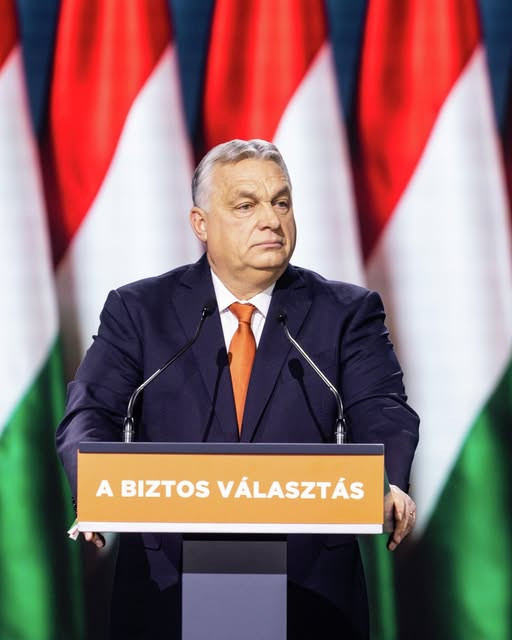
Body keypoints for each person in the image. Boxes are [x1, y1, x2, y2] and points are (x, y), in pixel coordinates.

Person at [56, 139, 419, 639]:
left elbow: (382, 409)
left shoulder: (345, 313)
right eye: (246, 206)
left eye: (281, 202)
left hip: (307, 584)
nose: (271, 219)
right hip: (171, 580)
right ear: (201, 224)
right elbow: (90, 412)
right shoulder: (140, 310)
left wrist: (390, 482)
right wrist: (96, 487)